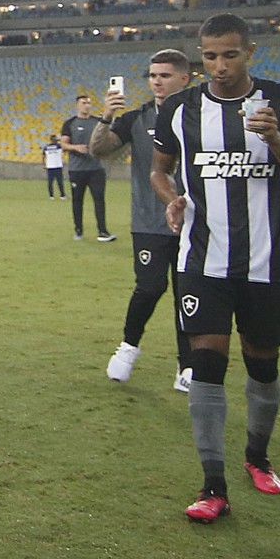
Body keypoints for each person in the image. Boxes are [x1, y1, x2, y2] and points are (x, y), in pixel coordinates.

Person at [148, 14, 280, 525]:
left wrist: (276, 140)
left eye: (229, 55)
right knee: (206, 361)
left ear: (250, 52)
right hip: (201, 256)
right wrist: (172, 197)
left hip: (267, 258)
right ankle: (212, 485)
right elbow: (159, 168)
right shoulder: (181, 109)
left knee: (262, 363)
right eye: (209, 56)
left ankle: (258, 456)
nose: (219, 66)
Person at [94, 50, 194, 391]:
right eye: (152, 75)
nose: (156, 81)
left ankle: (187, 364)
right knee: (150, 287)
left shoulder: (200, 115)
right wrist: (107, 115)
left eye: (165, 75)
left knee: (189, 293)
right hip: (149, 221)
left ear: (185, 78)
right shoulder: (135, 119)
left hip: (198, 222)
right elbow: (99, 149)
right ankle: (128, 347)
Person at [61, 95, 115, 241]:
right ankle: (78, 230)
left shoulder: (97, 122)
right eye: (84, 103)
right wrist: (76, 148)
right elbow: (63, 144)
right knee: (77, 200)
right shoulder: (70, 123)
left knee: (99, 199)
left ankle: (103, 231)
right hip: (77, 170)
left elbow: (107, 138)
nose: (87, 106)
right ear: (77, 105)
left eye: (89, 103)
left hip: (96, 169)